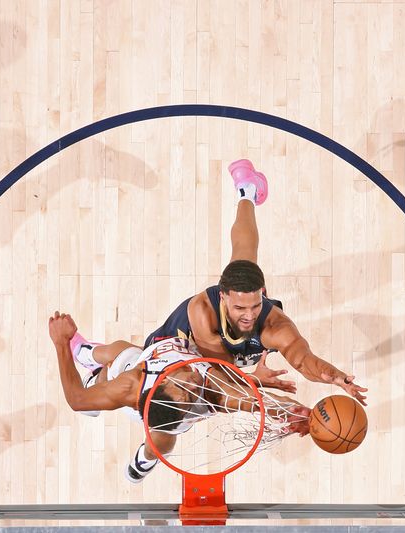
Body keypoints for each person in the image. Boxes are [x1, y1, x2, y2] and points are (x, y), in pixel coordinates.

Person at [71, 159, 368, 406]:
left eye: (255, 304)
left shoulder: (274, 323)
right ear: (223, 296)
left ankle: (247, 190)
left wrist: (334, 376)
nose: (249, 314)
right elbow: (218, 375)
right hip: (184, 348)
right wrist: (254, 382)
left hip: (223, 357)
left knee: (245, 256)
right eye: (241, 307)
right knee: (135, 363)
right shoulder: (203, 311)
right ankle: (88, 354)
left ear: (262, 294)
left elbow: (304, 361)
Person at [48, 311, 310, 483]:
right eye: (189, 393)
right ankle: (86, 359)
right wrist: (302, 414)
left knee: (124, 356)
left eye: (186, 389)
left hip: (148, 395)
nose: (194, 384)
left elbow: (76, 399)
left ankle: (143, 458)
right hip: (150, 398)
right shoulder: (205, 392)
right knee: (121, 356)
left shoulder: (142, 383)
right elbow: (77, 400)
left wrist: (61, 340)